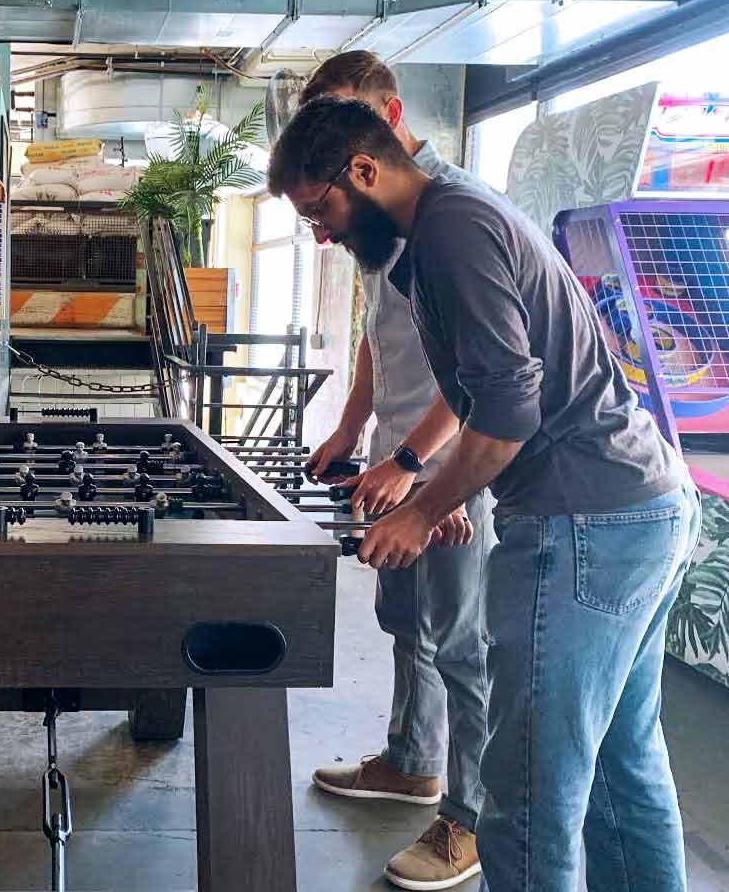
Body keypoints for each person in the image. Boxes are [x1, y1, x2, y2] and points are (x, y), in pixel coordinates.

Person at [270, 95, 698, 892]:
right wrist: (445, 488)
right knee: (618, 761)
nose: (320, 233)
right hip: (637, 506)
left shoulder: (448, 233)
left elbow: (509, 406)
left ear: (363, 169)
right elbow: (483, 392)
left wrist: (424, 508)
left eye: (318, 209)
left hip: (584, 524)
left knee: (530, 781)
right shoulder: (447, 224)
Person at [291, 52, 493, 890]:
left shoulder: (448, 215)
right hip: (398, 456)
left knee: (463, 645)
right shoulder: (376, 221)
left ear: (390, 113)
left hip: (449, 466)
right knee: (407, 621)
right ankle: (412, 763)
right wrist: (348, 427)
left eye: (347, 124)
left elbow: (485, 373)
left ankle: (470, 821)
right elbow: (380, 337)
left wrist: (429, 474)